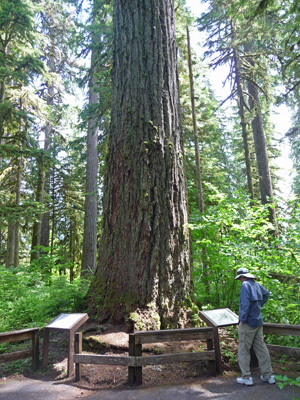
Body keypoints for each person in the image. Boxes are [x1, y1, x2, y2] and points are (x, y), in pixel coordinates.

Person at [235, 267, 276, 386]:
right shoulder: (256, 284)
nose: (240, 281)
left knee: (243, 350)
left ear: (242, 277)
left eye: (239, 278)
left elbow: (245, 304)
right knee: (261, 348)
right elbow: (266, 294)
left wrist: (243, 319)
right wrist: (258, 306)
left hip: (248, 323)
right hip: (258, 321)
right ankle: (269, 375)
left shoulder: (245, 285)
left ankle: (246, 377)